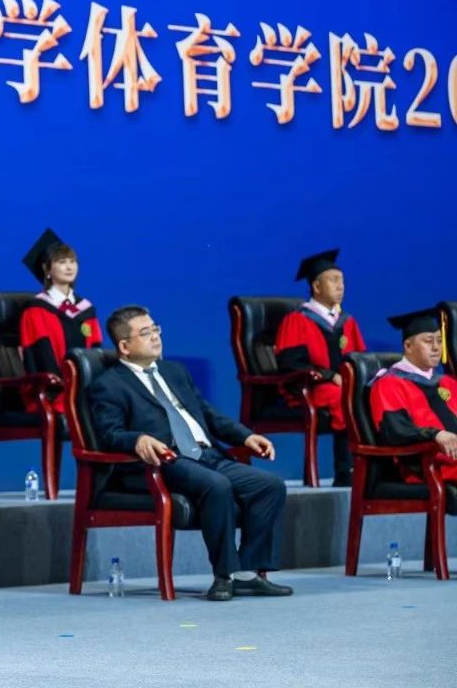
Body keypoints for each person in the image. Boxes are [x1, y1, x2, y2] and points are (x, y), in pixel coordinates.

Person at [90, 305, 291, 601]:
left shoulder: (174, 371)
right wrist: (138, 439)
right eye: (145, 333)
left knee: (269, 485)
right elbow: (109, 434)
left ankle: (247, 573)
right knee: (217, 485)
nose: (155, 337)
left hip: (207, 455)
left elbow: (207, 414)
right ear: (124, 346)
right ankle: (224, 575)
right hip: (165, 461)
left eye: (156, 329)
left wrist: (245, 436)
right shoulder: (109, 385)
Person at [273, 249, 366, 485]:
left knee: (368, 397)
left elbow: (361, 359)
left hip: (341, 386)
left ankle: (372, 471)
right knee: (343, 398)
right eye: (333, 280)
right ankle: (346, 473)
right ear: (316, 286)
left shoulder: (348, 321)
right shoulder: (298, 319)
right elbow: (290, 362)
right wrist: (330, 375)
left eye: (342, 280)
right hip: (312, 387)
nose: (340, 286)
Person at [369, 309, 457, 482]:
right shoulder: (389, 384)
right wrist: (436, 434)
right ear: (408, 347)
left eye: (439, 341)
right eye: (428, 341)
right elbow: (396, 431)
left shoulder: (447, 382)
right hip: (426, 464)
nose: (436, 347)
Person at [19, 228, 102, 410]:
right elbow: (40, 353)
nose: (69, 267)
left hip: (86, 388)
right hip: (53, 390)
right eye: (62, 262)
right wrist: (62, 385)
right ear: (47, 269)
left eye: (73, 261)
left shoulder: (85, 309)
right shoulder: (37, 309)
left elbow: (95, 349)